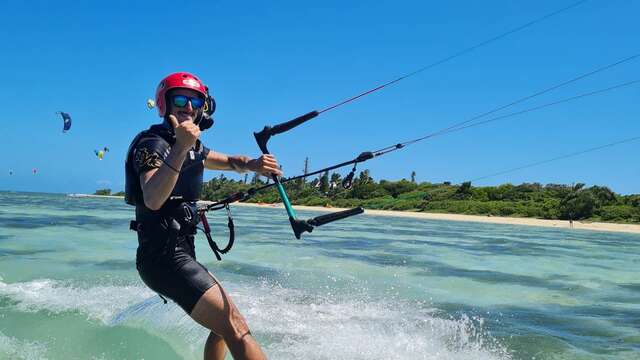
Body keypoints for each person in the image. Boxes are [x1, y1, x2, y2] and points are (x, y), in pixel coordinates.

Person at [125, 72, 281, 360]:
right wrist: (181, 146)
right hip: (162, 258)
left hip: (181, 253)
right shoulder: (152, 144)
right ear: (164, 104)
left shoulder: (194, 146)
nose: (188, 106)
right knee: (235, 325)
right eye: (180, 99)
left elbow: (233, 162)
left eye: (195, 100)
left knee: (222, 328)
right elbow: (153, 197)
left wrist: (255, 164)